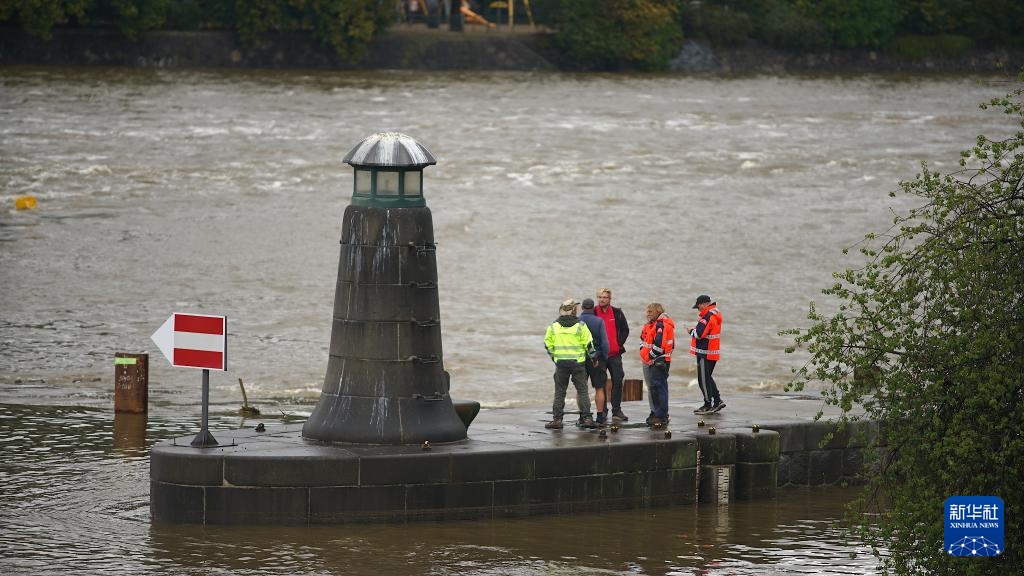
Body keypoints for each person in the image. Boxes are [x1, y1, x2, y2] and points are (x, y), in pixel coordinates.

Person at [543, 299, 598, 429]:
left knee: (560, 392)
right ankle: (587, 419)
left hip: (561, 364)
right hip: (578, 364)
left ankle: (557, 420)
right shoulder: (581, 326)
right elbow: (589, 345)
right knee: (583, 391)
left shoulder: (554, 326)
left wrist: (555, 358)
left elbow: (547, 344)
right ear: (573, 310)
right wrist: (594, 359)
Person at [594, 288, 630, 422]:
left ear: (610, 299)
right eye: (599, 297)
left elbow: (625, 330)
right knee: (601, 382)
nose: (602, 299)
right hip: (600, 355)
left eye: (605, 297)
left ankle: (617, 410)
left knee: (618, 380)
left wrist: (618, 343)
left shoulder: (617, 312)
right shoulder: (593, 312)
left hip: (615, 354)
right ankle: (602, 411)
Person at [689, 294, 726, 414]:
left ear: (704, 304)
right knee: (707, 378)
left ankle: (707, 404)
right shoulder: (715, 314)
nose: (698, 309)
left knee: (703, 380)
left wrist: (690, 331)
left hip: (705, 353)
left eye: (698, 306)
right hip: (712, 352)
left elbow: (699, 334)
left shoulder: (707, 317)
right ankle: (718, 400)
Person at [639, 302, 674, 427]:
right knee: (653, 388)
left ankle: (661, 415)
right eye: (647, 312)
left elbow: (659, 345)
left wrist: (649, 357)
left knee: (659, 388)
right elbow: (643, 340)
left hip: (658, 361)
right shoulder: (650, 325)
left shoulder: (662, 325)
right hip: (650, 360)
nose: (647, 314)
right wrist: (643, 354)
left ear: (658, 312)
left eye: (650, 312)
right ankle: (655, 412)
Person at [579, 298, 610, 426]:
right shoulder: (599, 321)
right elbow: (605, 343)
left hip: (580, 359)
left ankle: (583, 415)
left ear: (582, 308)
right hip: (597, 359)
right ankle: (599, 416)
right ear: (593, 307)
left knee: (581, 389)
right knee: (599, 388)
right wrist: (605, 357)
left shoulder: (577, 322)